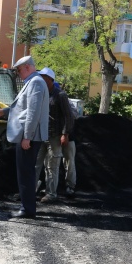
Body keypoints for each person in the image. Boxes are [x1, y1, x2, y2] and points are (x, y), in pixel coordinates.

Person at [0, 55, 49, 219]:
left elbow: (33, 112)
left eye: (19, 70)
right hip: (28, 135)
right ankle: (27, 206)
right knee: (26, 172)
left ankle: (27, 209)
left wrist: (27, 137)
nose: (18, 73)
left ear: (28, 67)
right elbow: (22, 107)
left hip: (29, 136)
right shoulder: (33, 81)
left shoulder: (35, 82)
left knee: (25, 173)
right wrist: (3, 112)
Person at [34, 68, 73, 203]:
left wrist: (65, 134)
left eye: (44, 77)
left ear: (51, 79)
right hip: (41, 135)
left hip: (55, 136)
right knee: (36, 164)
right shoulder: (41, 93)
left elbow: (68, 116)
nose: (41, 80)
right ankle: (30, 191)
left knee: (52, 165)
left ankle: (51, 194)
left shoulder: (60, 95)